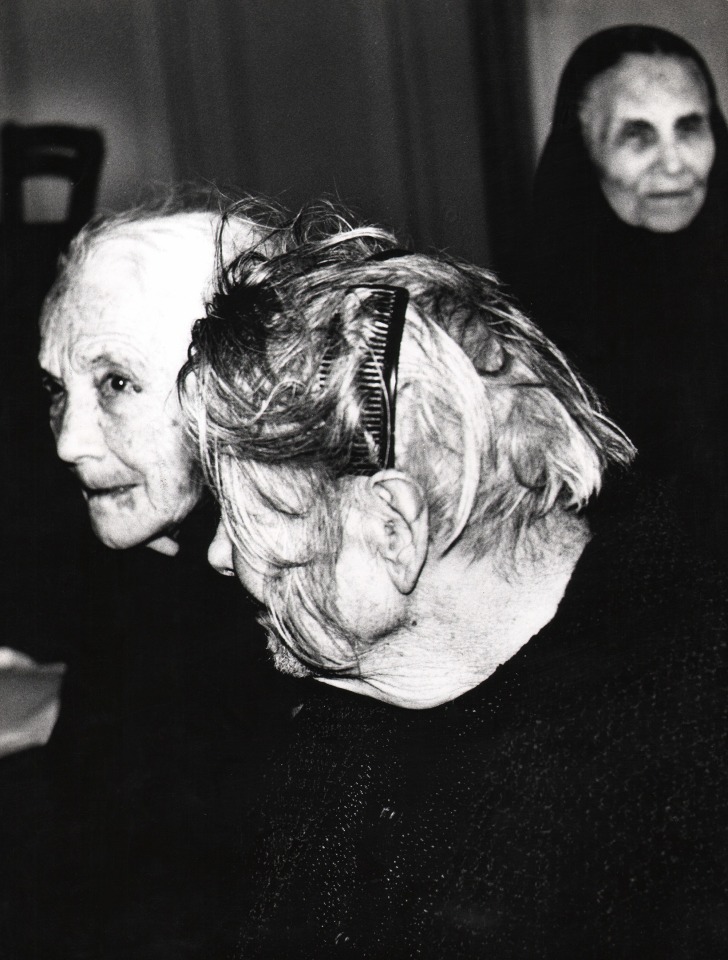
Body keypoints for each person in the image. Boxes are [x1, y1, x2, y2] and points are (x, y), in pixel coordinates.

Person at [181, 203, 726, 959]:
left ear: (391, 533)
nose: (216, 554)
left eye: (248, 515)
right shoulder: (338, 731)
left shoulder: (675, 783)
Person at [14, 195, 298, 960]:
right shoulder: (149, 556)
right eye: (55, 391)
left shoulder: (299, 614)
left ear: (253, 384)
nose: (70, 441)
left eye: (115, 384)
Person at [512, 25, 728, 562]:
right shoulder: (536, 328)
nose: (674, 163)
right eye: (638, 135)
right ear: (586, 150)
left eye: (690, 127)